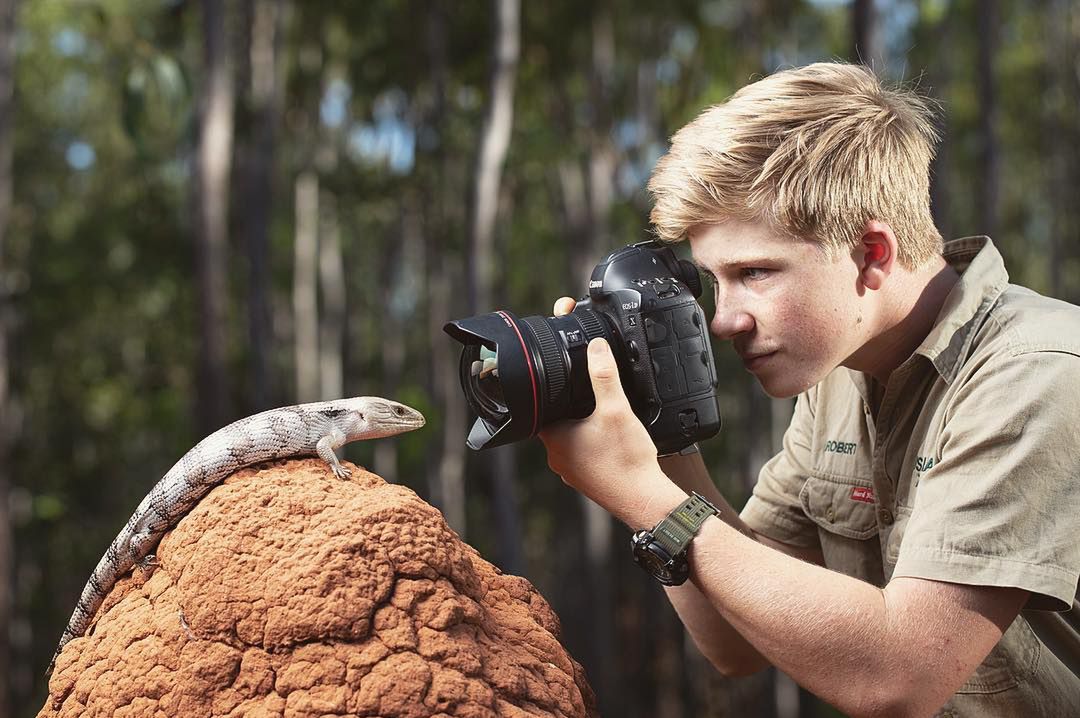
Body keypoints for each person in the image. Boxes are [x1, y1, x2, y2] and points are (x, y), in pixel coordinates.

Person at [539, 62, 1080, 716]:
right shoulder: (842, 375)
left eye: (757, 272)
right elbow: (734, 640)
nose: (723, 318)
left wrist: (643, 494)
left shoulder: (1035, 369)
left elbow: (897, 679)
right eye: (716, 279)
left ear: (871, 254)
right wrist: (662, 439)